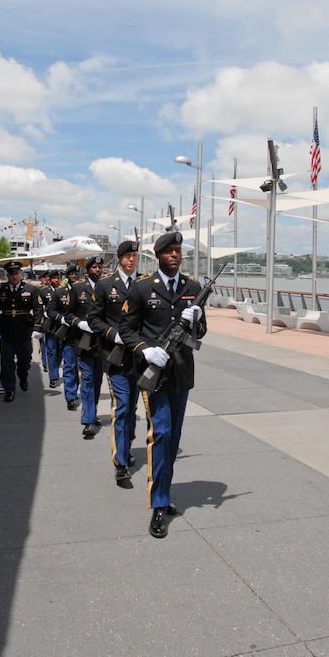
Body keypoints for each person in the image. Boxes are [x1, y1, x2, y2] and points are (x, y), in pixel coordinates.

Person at [119, 231, 207, 538]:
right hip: (154, 372)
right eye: (168, 251)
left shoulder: (193, 287)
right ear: (158, 256)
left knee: (173, 437)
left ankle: (165, 492)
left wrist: (195, 319)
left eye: (178, 250)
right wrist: (145, 348)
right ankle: (158, 504)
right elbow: (127, 330)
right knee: (162, 433)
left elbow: (201, 332)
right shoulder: (143, 288)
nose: (174, 255)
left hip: (181, 372)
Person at [89, 240, 140, 482]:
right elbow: (94, 319)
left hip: (140, 358)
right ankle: (120, 461)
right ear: (119, 258)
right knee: (122, 407)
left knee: (133, 407)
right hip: (115, 357)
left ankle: (127, 445)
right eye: (127, 256)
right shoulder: (105, 285)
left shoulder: (145, 284)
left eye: (134, 255)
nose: (131, 259)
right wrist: (114, 334)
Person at [0, 261, 44, 402]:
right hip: (6, 330)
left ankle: (23, 376)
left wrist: (37, 327)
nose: (14, 276)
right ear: (7, 275)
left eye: (16, 273)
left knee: (24, 361)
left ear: (21, 273)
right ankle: (9, 389)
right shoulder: (1, 289)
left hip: (24, 331)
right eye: (11, 274)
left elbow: (38, 308)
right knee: (7, 363)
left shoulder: (30, 289)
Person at [64, 256, 104, 439]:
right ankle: (88, 420)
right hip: (84, 341)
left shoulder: (106, 287)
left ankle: (93, 412)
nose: (97, 270)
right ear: (88, 270)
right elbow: (68, 314)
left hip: (103, 343)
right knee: (87, 379)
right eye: (94, 267)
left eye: (99, 267)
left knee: (97, 381)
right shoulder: (78, 288)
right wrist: (80, 323)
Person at [47, 264, 80, 410]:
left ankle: (75, 389)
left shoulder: (84, 290)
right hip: (67, 334)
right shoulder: (60, 292)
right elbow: (50, 311)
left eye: (76, 274)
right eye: (71, 274)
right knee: (69, 365)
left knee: (81, 368)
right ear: (67, 276)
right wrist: (62, 319)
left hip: (83, 334)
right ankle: (71, 396)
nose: (74, 276)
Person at [39, 269, 62, 388]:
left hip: (62, 326)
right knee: (51, 350)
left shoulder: (64, 291)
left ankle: (55, 368)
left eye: (58, 278)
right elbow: (39, 308)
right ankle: (53, 376)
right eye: (54, 278)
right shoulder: (43, 292)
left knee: (60, 352)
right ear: (49, 279)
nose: (57, 280)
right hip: (50, 325)